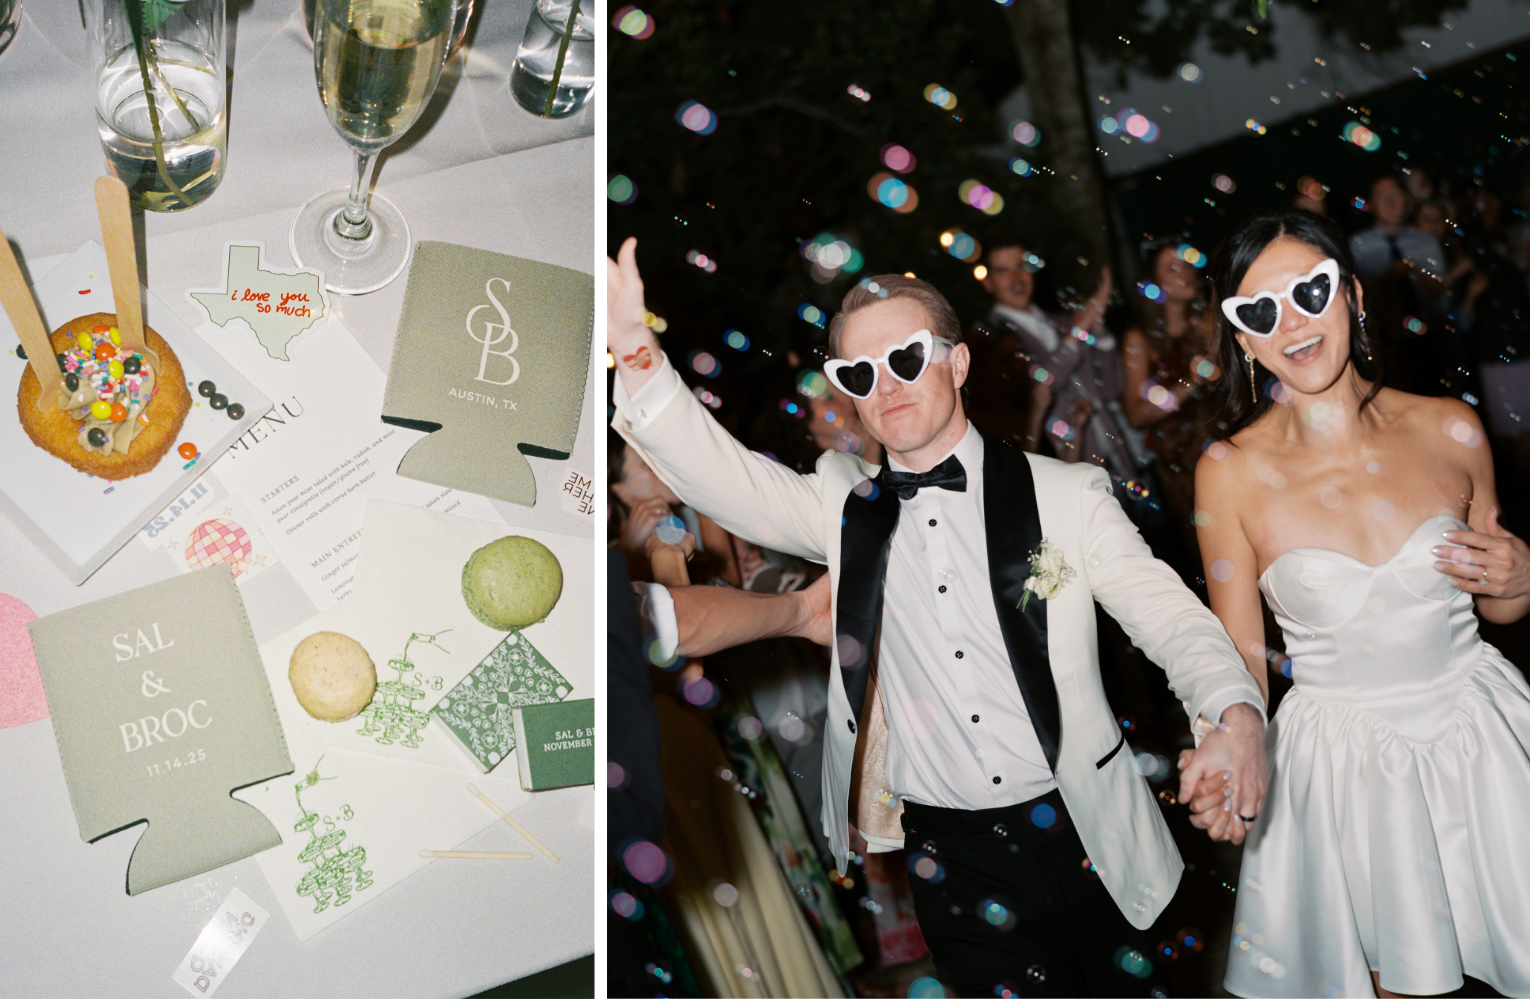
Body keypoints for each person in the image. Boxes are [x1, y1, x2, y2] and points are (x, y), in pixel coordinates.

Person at [609, 237, 1268, 997]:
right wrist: (634, 348)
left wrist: (1234, 715)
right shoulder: (842, 504)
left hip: (1089, 831)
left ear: (957, 363)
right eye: (860, 373)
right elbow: (723, 478)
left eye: (906, 358)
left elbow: (1171, 619)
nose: (886, 385)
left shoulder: (1067, 495)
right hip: (951, 859)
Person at [1186, 209, 1530, 998]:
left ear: (1354, 295)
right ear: (1242, 339)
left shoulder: (1451, 428)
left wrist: (1521, 582)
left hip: (1479, 735)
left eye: (1311, 292)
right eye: (1260, 310)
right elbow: (1239, 660)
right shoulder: (1228, 472)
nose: (1293, 323)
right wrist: (1225, 745)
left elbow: (1499, 606)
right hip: (1348, 768)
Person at [978, 243, 1140, 488]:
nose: (1016, 278)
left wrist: (1099, 331)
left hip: (1119, 463)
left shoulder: (1062, 322)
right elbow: (1036, 390)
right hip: (1069, 476)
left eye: (1021, 266)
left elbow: (1111, 387)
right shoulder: (994, 340)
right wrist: (1075, 335)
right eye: (1003, 270)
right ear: (988, 283)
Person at [1122, 244, 1221, 559]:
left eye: (1187, 265)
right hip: (1182, 469)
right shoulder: (1140, 341)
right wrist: (1190, 383)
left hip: (1225, 449)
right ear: (1153, 282)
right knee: (1212, 556)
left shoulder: (1207, 324)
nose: (1185, 273)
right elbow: (1136, 414)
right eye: (1172, 267)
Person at [1348, 172, 1447, 393]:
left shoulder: (1426, 242)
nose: (1391, 202)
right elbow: (1355, 299)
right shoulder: (1358, 246)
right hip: (1384, 344)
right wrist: (1387, 277)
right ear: (1370, 205)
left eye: (1396, 194)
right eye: (1381, 196)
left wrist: (1421, 275)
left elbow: (1444, 293)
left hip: (1430, 339)